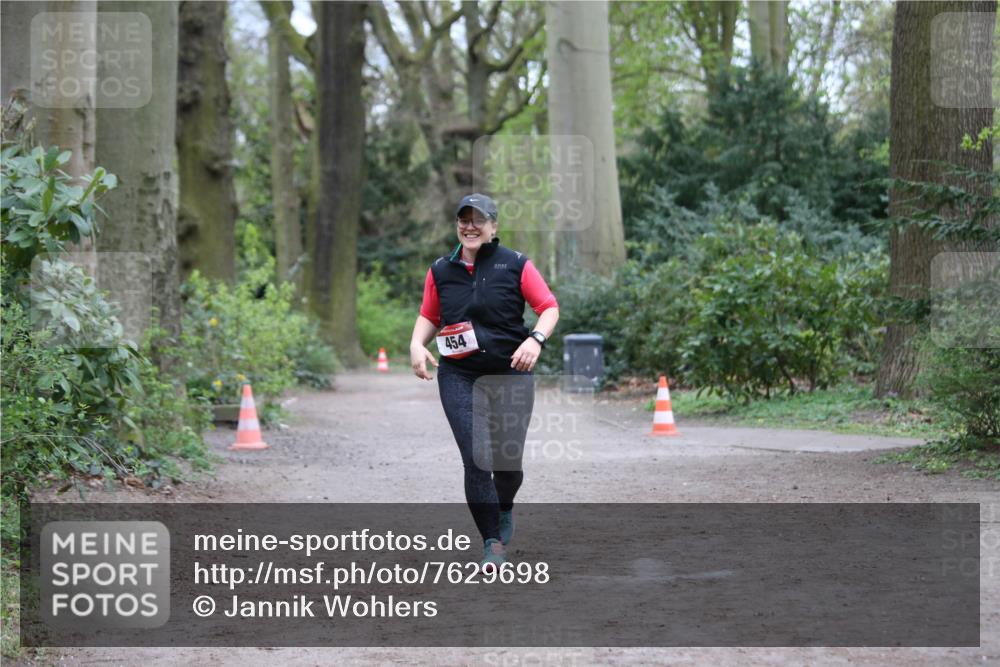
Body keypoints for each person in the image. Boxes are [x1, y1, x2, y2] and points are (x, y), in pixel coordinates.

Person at [409, 193, 559, 572]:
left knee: (507, 465)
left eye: (478, 219)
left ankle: (504, 505)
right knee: (476, 459)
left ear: (494, 226)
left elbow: (548, 308)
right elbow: (430, 314)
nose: (469, 225)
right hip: (459, 374)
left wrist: (535, 340)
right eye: (463, 219)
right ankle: (492, 542)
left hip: (510, 373)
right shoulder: (441, 269)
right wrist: (416, 344)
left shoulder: (516, 265)